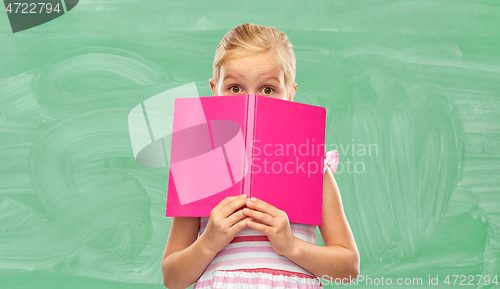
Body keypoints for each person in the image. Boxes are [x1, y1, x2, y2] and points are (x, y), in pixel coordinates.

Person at [161, 23, 359, 289]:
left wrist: (291, 245)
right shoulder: (200, 167)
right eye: (234, 88)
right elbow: (172, 279)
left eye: (268, 89)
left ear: (290, 93)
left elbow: (348, 269)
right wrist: (208, 242)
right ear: (214, 90)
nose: (251, 102)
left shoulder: (312, 166)